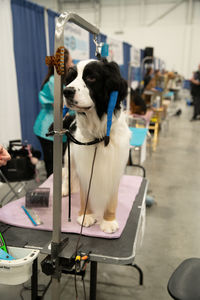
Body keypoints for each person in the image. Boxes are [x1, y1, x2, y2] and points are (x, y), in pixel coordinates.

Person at [33, 48, 74, 177]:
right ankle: (53, 191)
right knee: (52, 164)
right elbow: (60, 105)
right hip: (47, 128)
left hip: (59, 128)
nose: (72, 65)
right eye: (71, 62)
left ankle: (58, 188)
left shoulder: (63, 81)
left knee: (61, 162)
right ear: (64, 64)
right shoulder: (53, 81)